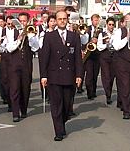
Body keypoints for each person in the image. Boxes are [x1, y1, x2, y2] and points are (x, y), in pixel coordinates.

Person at [40, 10, 83, 141]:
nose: (62, 21)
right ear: (56, 21)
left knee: (66, 105)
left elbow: (77, 58)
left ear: (67, 20)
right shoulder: (49, 36)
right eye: (60, 19)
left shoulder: (74, 36)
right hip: (54, 75)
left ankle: (62, 122)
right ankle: (58, 131)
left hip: (69, 75)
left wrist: (79, 75)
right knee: (56, 105)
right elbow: (44, 57)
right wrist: (43, 75)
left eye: (64, 19)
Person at [5, 12, 39, 122]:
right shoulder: (11, 32)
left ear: (28, 21)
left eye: (24, 21)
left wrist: (30, 37)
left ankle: (23, 109)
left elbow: (35, 48)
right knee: (14, 88)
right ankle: (15, 113)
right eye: (21, 21)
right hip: (14, 65)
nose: (23, 23)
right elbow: (10, 48)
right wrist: (19, 39)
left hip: (26, 64)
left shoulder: (32, 33)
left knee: (25, 88)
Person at [112, 12, 130, 119]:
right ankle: (126, 110)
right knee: (125, 86)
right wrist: (128, 36)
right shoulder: (119, 31)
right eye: (129, 21)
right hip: (122, 62)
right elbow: (116, 46)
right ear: (124, 22)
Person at [97, 17, 116, 105]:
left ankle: (109, 92)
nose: (111, 26)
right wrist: (107, 45)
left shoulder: (116, 34)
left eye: (112, 25)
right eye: (109, 24)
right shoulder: (102, 34)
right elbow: (99, 46)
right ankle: (108, 95)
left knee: (111, 77)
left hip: (113, 57)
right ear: (107, 25)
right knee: (106, 76)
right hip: (104, 57)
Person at [83, 14, 102, 100]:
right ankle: (89, 92)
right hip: (89, 54)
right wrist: (91, 40)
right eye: (95, 20)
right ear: (92, 21)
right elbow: (83, 41)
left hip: (97, 54)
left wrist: (98, 40)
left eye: (98, 20)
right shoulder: (87, 29)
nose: (96, 22)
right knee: (89, 74)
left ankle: (93, 91)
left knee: (95, 74)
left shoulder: (101, 30)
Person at [38, 14, 57, 100]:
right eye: (51, 21)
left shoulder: (58, 32)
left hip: (55, 57)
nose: (53, 23)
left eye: (54, 21)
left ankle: (52, 94)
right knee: (44, 74)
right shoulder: (43, 32)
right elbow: (41, 45)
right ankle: (45, 93)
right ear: (48, 23)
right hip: (44, 56)